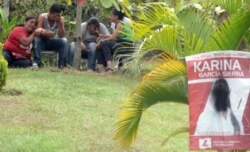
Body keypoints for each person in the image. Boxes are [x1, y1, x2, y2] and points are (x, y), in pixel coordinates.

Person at [95, 8, 133, 73]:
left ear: (116, 16)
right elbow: (115, 37)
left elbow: (113, 37)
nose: (109, 17)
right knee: (99, 47)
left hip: (126, 47)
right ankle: (101, 69)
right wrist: (103, 36)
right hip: (120, 44)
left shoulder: (121, 24)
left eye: (111, 15)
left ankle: (109, 68)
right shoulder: (117, 24)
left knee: (104, 43)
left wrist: (101, 41)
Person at [33, 3, 68, 69]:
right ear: (50, 13)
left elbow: (62, 35)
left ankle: (62, 65)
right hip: (42, 41)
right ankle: (36, 63)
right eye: (55, 16)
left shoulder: (60, 19)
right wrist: (45, 33)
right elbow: (37, 32)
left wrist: (61, 24)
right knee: (36, 39)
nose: (56, 18)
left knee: (64, 41)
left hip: (53, 41)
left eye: (58, 15)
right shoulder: (43, 17)